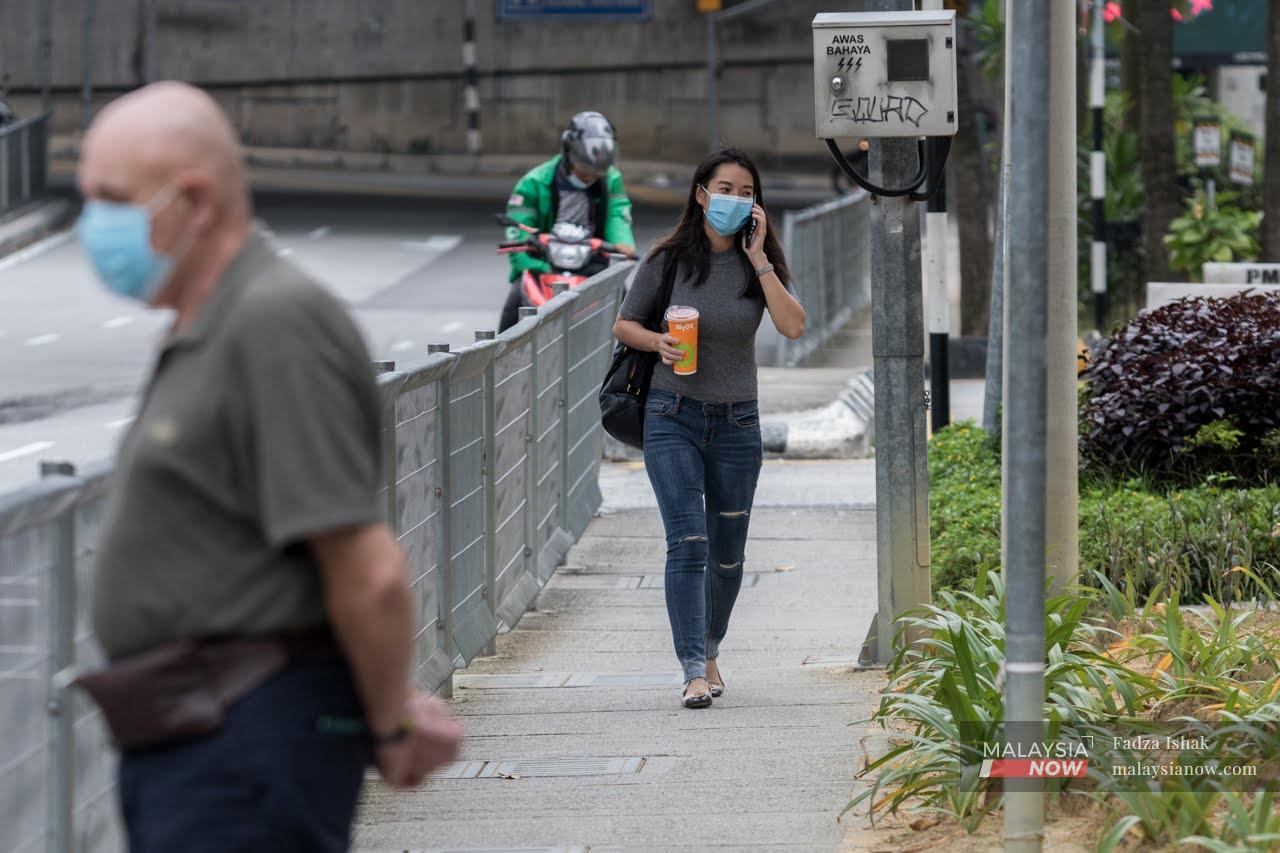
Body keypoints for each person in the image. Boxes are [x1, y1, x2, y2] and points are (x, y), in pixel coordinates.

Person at [76, 82, 463, 851]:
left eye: (112, 200)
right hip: (199, 737)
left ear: (194, 199)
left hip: (243, 741)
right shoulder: (215, 323)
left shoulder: (274, 321)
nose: (93, 225)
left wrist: (389, 723)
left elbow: (367, 570)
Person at [611, 148, 805, 709]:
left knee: (728, 552)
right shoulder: (667, 260)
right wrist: (658, 342)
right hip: (672, 414)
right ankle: (693, 668)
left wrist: (761, 259)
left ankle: (712, 647)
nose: (734, 201)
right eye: (724, 189)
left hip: (738, 422)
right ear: (701, 194)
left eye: (746, 193)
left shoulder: (759, 262)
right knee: (688, 542)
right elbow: (624, 323)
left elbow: (792, 326)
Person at [499, 110, 636, 331]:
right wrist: (533, 260)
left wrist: (623, 244)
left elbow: (617, 213)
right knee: (515, 300)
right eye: (585, 169)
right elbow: (519, 230)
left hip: (591, 261)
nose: (590, 177)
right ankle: (502, 361)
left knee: (627, 305)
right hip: (545, 261)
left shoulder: (610, 179)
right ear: (568, 154)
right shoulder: (533, 182)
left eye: (596, 172)